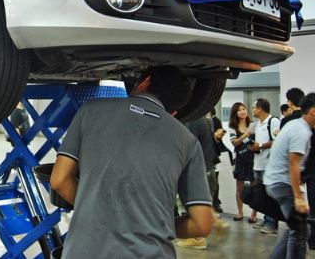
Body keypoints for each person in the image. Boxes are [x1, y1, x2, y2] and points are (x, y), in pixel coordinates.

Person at [50, 66, 214, 258]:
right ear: (174, 112)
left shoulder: (91, 110)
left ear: (145, 82)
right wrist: (152, 224)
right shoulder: (188, 141)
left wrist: (99, 211)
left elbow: (59, 180)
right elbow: (202, 224)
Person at [264, 93, 315, 259]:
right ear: (313, 111)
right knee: (300, 232)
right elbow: (293, 164)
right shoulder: (301, 132)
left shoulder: (296, 125)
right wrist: (298, 197)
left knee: (294, 226)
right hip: (281, 183)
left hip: (275, 181)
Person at [177, 110, 222, 249]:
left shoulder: (192, 121)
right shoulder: (203, 119)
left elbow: (187, 146)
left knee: (194, 206)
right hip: (209, 168)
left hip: (201, 170)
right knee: (202, 205)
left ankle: (197, 239)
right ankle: (216, 223)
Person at [249, 97, 281, 234]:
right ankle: (266, 219)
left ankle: (272, 223)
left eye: (254, 107)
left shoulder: (273, 121)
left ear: (260, 108)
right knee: (262, 194)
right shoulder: (258, 124)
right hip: (258, 164)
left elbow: (278, 141)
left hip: (269, 164)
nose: (253, 110)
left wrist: (260, 146)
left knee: (271, 194)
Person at [227, 102, 256, 222]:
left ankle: (254, 214)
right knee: (239, 187)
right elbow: (234, 143)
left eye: (244, 109)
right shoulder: (232, 127)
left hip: (254, 159)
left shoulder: (253, 125)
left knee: (255, 186)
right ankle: (240, 212)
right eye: (239, 110)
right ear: (235, 113)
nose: (242, 111)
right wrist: (246, 134)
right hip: (240, 159)